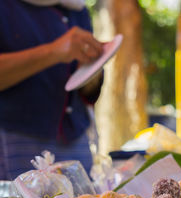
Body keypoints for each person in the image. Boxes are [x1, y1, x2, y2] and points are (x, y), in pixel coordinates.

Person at [0, 0, 104, 180]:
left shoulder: (77, 8)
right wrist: (55, 51)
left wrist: (92, 72)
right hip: (14, 144)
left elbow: (85, 92)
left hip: (76, 143)